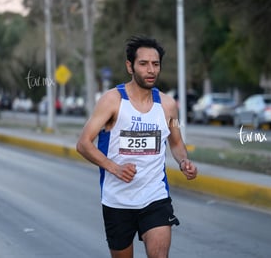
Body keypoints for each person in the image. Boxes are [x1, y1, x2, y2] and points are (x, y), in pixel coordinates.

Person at [76, 36, 198, 258]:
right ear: (130, 66)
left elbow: (177, 142)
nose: (151, 70)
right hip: (117, 200)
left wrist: (183, 161)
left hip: (155, 196)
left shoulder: (168, 105)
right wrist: (115, 168)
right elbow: (83, 144)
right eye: (143, 64)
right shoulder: (112, 101)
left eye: (155, 64)